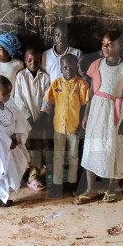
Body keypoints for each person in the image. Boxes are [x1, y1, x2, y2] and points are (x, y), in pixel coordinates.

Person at [76, 32, 123, 204]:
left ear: (120, 47)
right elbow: (91, 92)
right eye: (103, 43)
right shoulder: (96, 65)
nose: (106, 47)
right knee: (91, 147)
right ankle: (90, 188)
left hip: (115, 114)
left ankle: (111, 188)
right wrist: (86, 115)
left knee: (112, 148)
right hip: (97, 112)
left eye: (110, 44)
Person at [41, 53, 90, 199]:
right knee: (58, 157)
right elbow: (50, 105)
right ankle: (57, 185)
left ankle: (73, 184)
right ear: (61, 69)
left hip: (74, 129)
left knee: (74, 156)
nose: (69, 70)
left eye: (72, 67)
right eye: (65, 67)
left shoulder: (82, 84)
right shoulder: (56, 84)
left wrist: (82, 127)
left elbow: (85, 107)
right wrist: (49, 125)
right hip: (58, 128)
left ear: (77, 67)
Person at [0, 76, 27, 207]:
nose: (8, 96)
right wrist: (9, 143)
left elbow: (17, 115)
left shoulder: (7, 101)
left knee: (9, 169)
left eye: (9, 93)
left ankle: (1, 196)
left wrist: (17, 134)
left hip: (8, 143)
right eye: (6, 94)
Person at [13, 46, 51, 190]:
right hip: (25, 121)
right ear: (24, 61)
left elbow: (48, 97)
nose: (33, 63)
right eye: (29, 61)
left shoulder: (45, 77)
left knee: (37, 149)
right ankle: (22, 175)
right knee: (24, 149)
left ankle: (33, 178)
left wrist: (42, 114)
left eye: (36, 60)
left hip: (40, 121)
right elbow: (18, 99)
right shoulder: (21, 76)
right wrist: (28, 117)